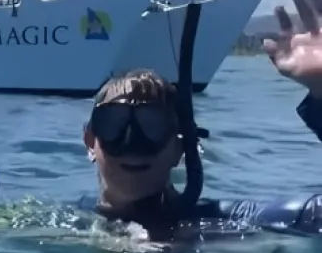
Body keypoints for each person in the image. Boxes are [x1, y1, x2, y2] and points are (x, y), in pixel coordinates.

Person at [80, 61, 322, 237]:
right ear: (90, 142)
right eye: (114, 125)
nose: (132, 144)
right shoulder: (76, 220)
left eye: (152, 126)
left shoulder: (222, 223)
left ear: (180, 148)